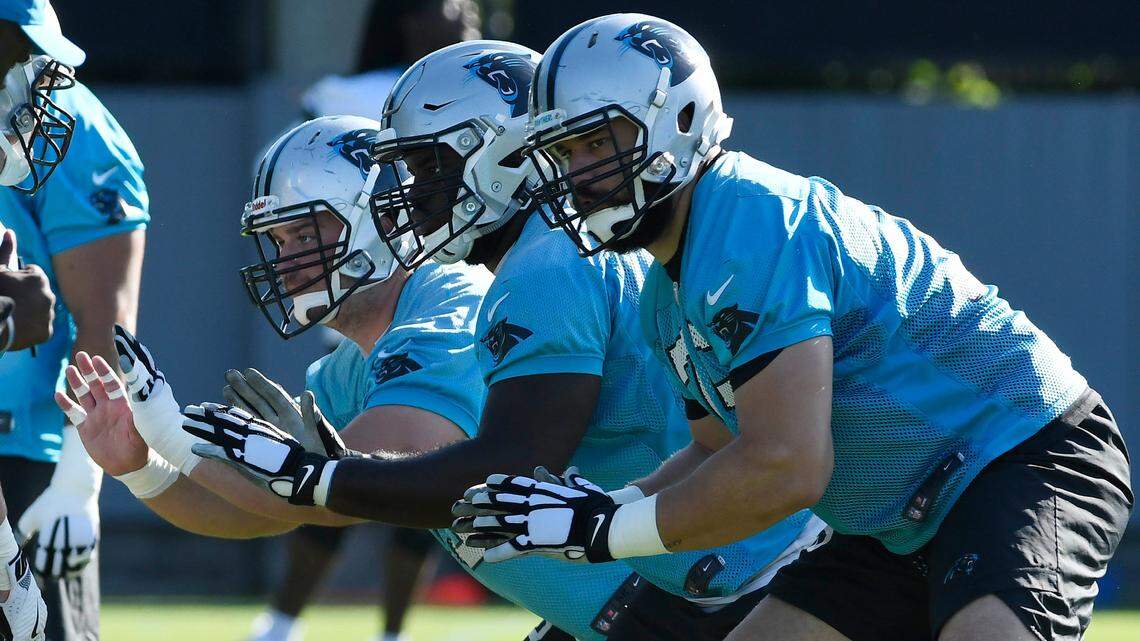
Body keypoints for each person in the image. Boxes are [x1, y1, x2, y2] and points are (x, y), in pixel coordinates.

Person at [455, 13, 1134, 641]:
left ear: (678, 119)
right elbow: (718, 447)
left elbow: (787, 468)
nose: (578, 173)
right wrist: (608, 503)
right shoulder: (665, 293)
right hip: (892, 518)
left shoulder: (750, 224)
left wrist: (605, 529)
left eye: (598, 142)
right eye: (565, 152)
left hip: (1017, 456)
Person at [186, 41, 825, 641]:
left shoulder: (545, 263)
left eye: (426, 166)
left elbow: (509, 464)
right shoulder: (546, 257)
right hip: (712, 554)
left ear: (506, 154)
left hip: (751, 561)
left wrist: (322, 480)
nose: (409, 196)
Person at [57, 115, 633, 641]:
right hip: (607, 605)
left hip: (674, 588)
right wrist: (142, 467)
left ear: (384, 221)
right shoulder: (344, 370)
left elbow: (364, 477)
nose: (286, 262)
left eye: (306, 235)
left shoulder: (449, 309)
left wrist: (175, 438)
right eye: (279, 241)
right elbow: (267, 508)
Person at [255, 3, 481, 639]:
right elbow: (296, 185)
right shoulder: (346, 98)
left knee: (404, 464)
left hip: (448, 293)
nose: (463, 12)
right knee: (343, 459)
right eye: (445, 2)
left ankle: (391, 628)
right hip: (375, 292)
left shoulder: (482, 81)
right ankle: (282, 621)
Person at [0, 2, 148, 639]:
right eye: (17, 50)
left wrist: (78, 476)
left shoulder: (71, 126)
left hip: (26, 448)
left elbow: (106, 316)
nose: (36, 75)